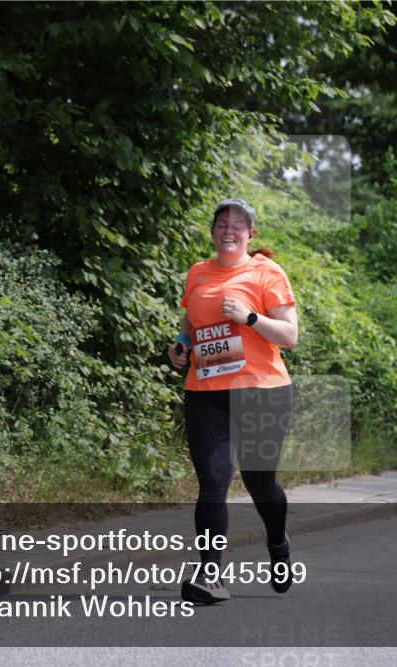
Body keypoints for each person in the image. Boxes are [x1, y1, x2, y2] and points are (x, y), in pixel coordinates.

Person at [167, 198, 298, 605]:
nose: (228, 230)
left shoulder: (266, 272)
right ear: (212, 231)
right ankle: (211, 577)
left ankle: (277, 543)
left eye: (237, 225)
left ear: (250, 234)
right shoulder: (198, 272)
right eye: (221, 223)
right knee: (213, 482)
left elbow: (289, 336)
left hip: (261, 390)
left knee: (261, 483)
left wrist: (249, 318)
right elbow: (192, 321)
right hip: (205, 391)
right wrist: (181, 344)